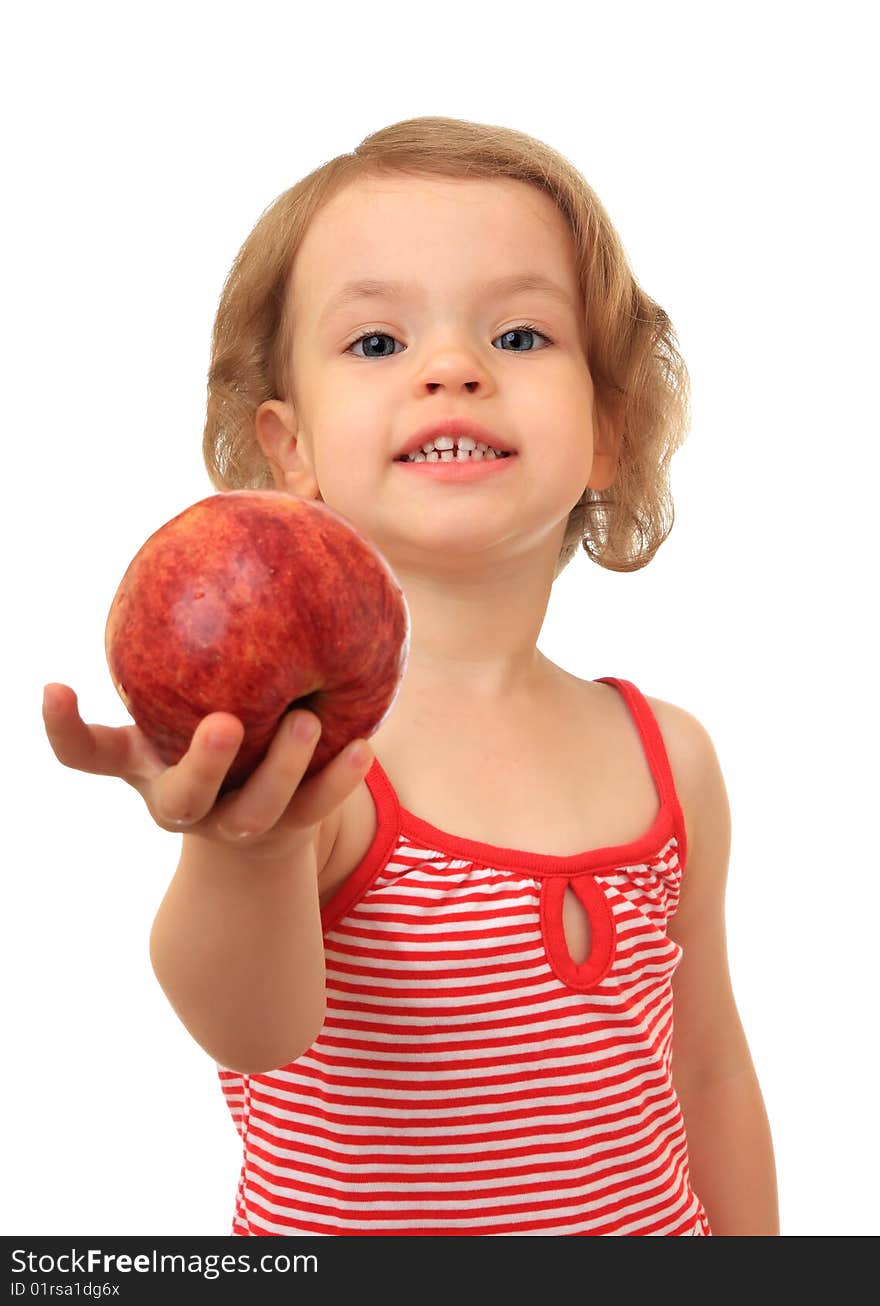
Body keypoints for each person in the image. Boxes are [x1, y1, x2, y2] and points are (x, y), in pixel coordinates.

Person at [42, 115, 778, 1237]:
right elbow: (249, 1027)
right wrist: (250, 845)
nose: (452, 368)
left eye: (522, 335)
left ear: (606, 432)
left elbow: (708, 1064)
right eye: (378, 343)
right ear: (290, 449)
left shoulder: (668, 755)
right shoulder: (320, 763)